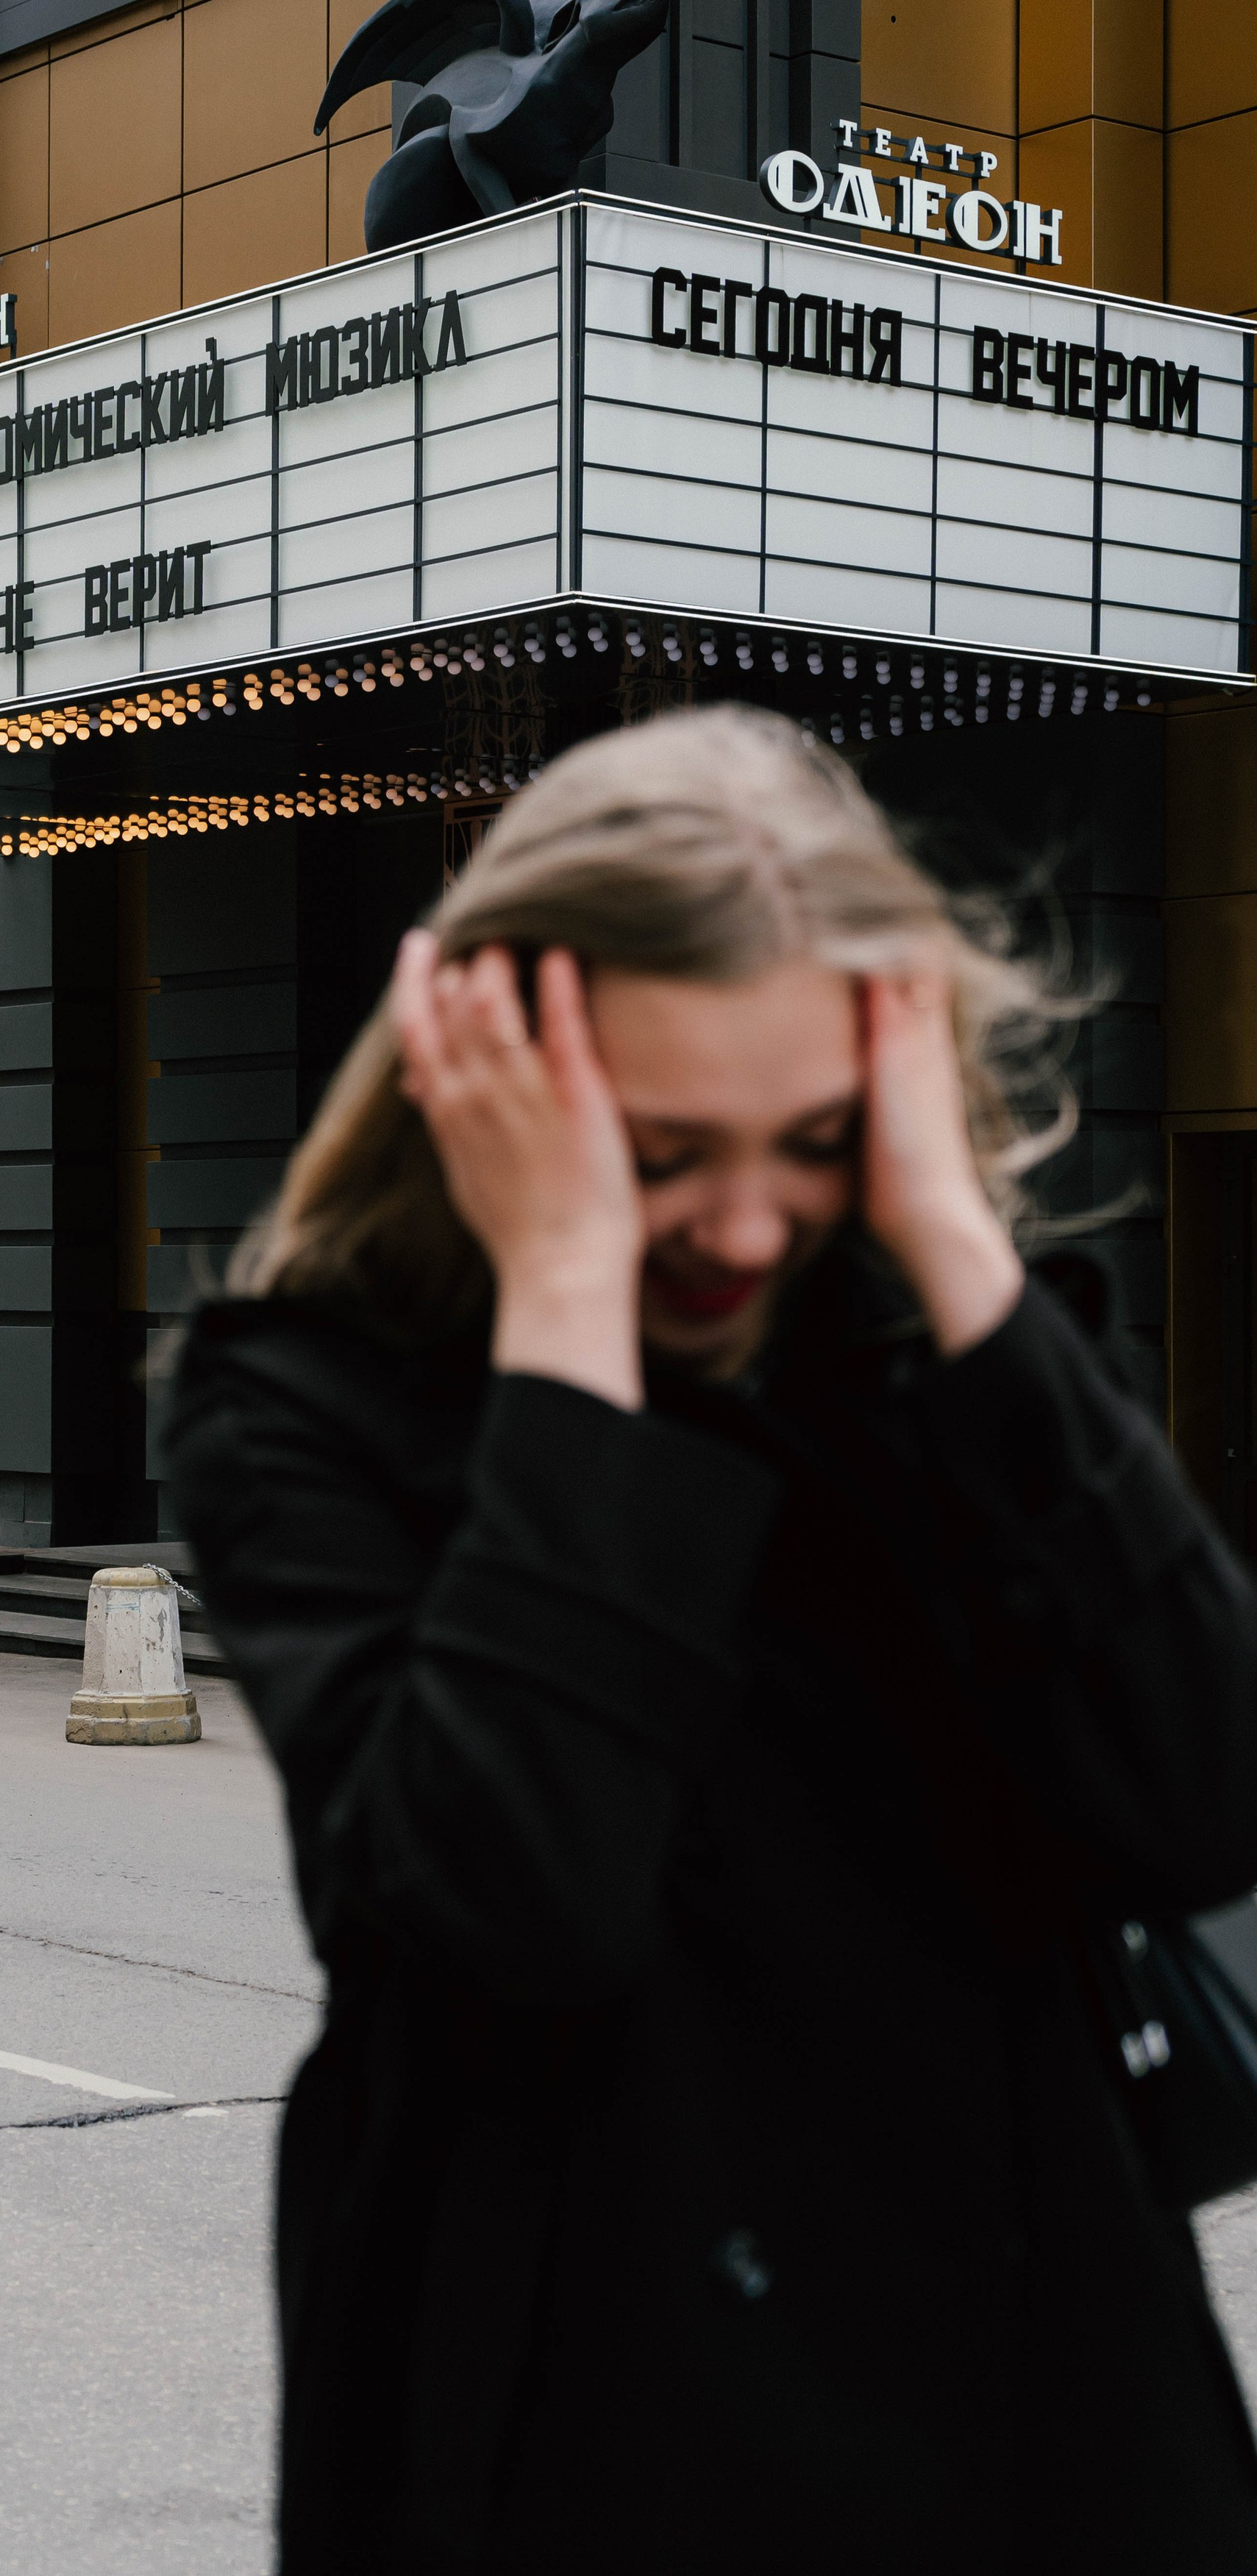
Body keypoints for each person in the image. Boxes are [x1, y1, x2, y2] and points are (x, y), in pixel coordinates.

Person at [163, 705, 1257, 2575]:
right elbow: (506, 1916)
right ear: (492, 1074)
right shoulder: (307, 1408)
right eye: (665, 1149)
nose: (747, 1220)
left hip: (1029, 2393)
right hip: (577, 2408)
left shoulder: (957, 1362)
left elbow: (1208, 1796)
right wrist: (574, 1307)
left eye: (814, 1140)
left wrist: (948, 1238)